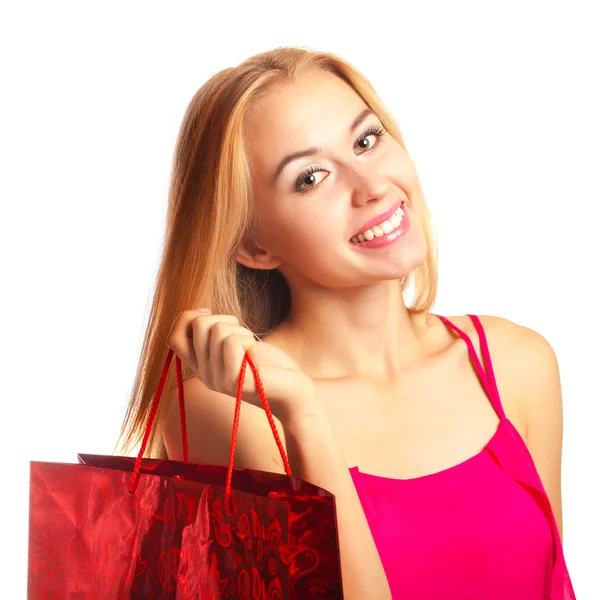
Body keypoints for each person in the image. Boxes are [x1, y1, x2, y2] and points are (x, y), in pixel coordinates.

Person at [116, 46, 576, 599]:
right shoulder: (235, 407)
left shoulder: (515, 363)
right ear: (253, 245)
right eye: (311, 177)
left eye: (366, 140)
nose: (372, 186)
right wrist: (302, 414)